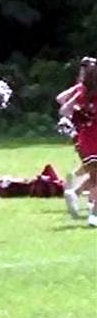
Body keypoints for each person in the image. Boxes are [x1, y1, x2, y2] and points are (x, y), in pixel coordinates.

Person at [59, 59, 97, 227]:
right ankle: (93, 213)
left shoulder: (81, 90)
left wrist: (78, 112)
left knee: (95, 177)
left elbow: (63, 108)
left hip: (85, 138)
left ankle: (81, 197)